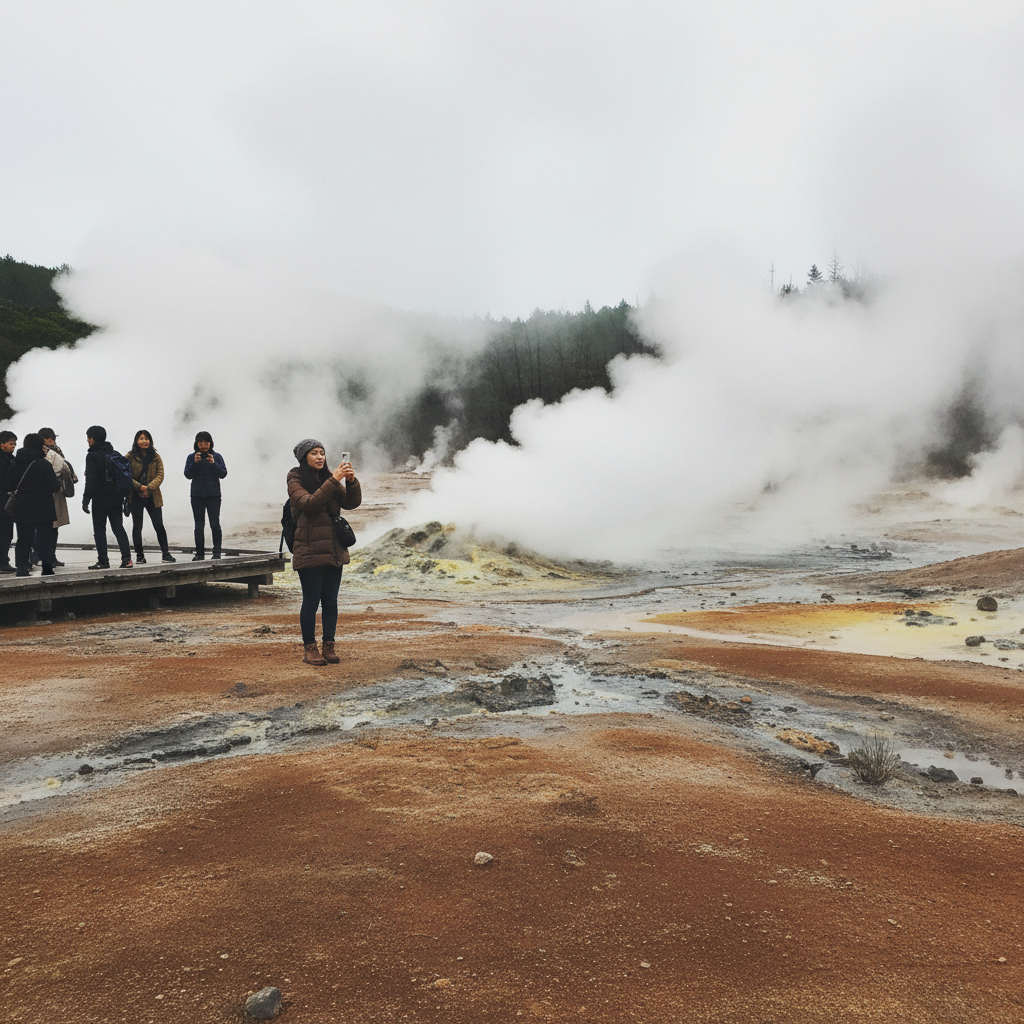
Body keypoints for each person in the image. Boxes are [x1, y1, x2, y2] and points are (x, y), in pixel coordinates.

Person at [286, 438, 361, 665]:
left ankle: (329, 646)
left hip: (332, 549)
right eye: (314, 453)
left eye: (322, 453)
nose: (320, 457)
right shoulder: (295, 478)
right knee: (311, 601)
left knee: (330, 600)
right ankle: (310, 649)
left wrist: (351, 481)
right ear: (303, 458)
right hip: (308, 549)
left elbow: (351, 503)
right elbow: (309, 503)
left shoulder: (328, 477)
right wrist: (334, 479)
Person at [9, 433, 61, 576]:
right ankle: (47, 567)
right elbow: (54, 486)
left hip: (22, 506)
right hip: (43, 507)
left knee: (24, 538)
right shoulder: (43, 464)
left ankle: (21, 568)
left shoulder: (15, 463)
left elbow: (10, 483)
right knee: (45, 538)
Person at [83, 425, 132, 570]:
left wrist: (86, 500)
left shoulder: (92, 455)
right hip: (116, 497)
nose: (87, 440)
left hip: (100, 498)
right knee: (118, 528)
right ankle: (127, 559)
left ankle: (103, 561)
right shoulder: (113, 452)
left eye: (88, 437)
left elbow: (91, 481)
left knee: (99, 529)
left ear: (92, 438)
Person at [126, 430, 176, 563]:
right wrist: (139, 487)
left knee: (159, 524)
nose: (144, 441)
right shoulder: (130, 456)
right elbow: (126, 475)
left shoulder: (155, 456)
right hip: (136, 496)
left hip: (153, 496)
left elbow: (160, 474)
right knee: (138, 526)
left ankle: (166, 553)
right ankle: (139, 555)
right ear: (136, 441)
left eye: (147, 438)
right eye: (141, 438)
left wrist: (148, 487)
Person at [183, 430, 227, 560]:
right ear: (196, 444)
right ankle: (199, 553)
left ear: (210, 443)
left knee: (215, 524)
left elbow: (223, 474)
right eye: (201, 442)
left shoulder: (217, 456)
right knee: (199, 525)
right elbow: (187, 475)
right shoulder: (192, 457)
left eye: (206, 442)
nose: (203, 445)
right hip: (196, 495)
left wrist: (213, 463)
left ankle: (217, 552)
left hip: (213, 495)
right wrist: (195, 463)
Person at [35, 428, 74, 568]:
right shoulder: (39, 452)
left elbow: (65, 466)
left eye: (52, 438)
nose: (51, 440)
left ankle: (51, 556)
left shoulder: (57, 451)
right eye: (48, 438)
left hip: (57, 492)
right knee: (41, 528)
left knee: (54, 527)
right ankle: (38, 556)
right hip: (44, 492)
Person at [0, 430, 17, 573]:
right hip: (3, 501)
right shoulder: (5, 461)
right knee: (5, 533)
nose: (14, 446)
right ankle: (3, 562)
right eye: (11, 443)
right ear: (2, 445)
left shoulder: (10, 458)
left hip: (6, 502)